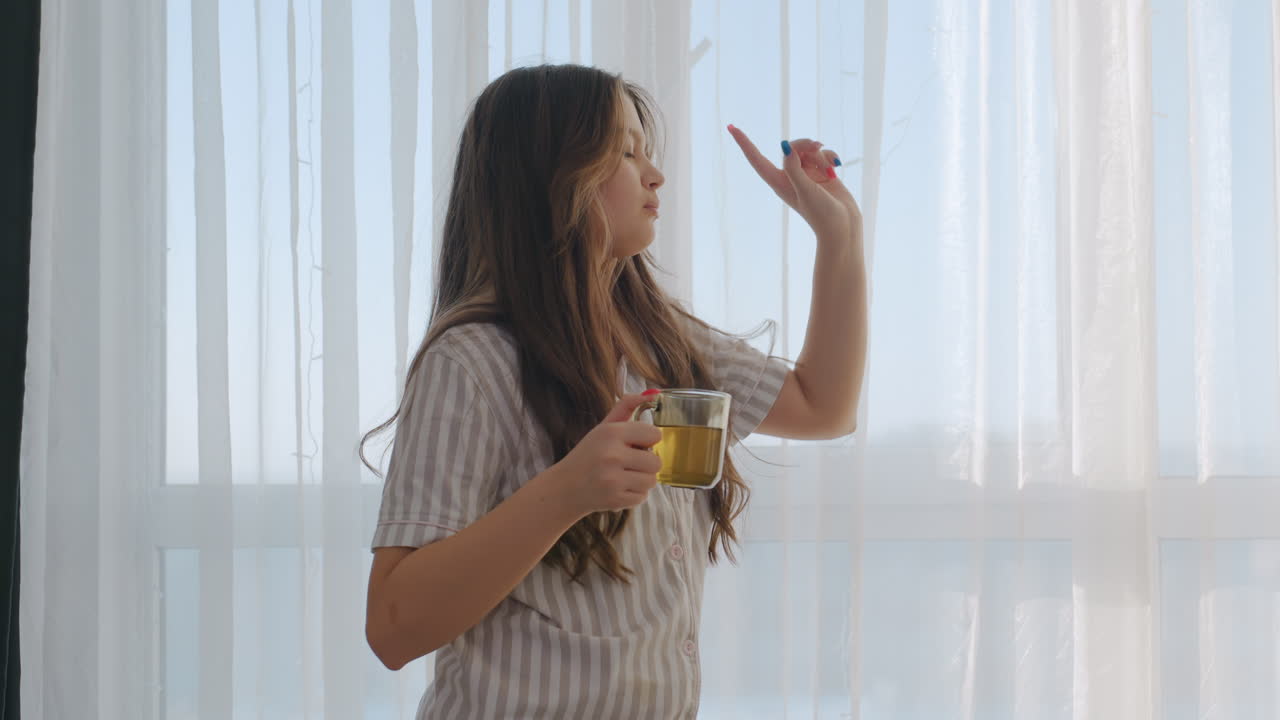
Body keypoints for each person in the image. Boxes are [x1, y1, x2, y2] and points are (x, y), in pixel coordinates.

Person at [362, 63, 867, 719]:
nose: (654, 174)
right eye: (624, 153)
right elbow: (394, 627)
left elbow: (824, 406)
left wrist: (839, 236)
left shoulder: (663, 341)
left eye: (647, 152)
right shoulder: (473, 362)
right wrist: (566, 491)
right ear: (549, 181)